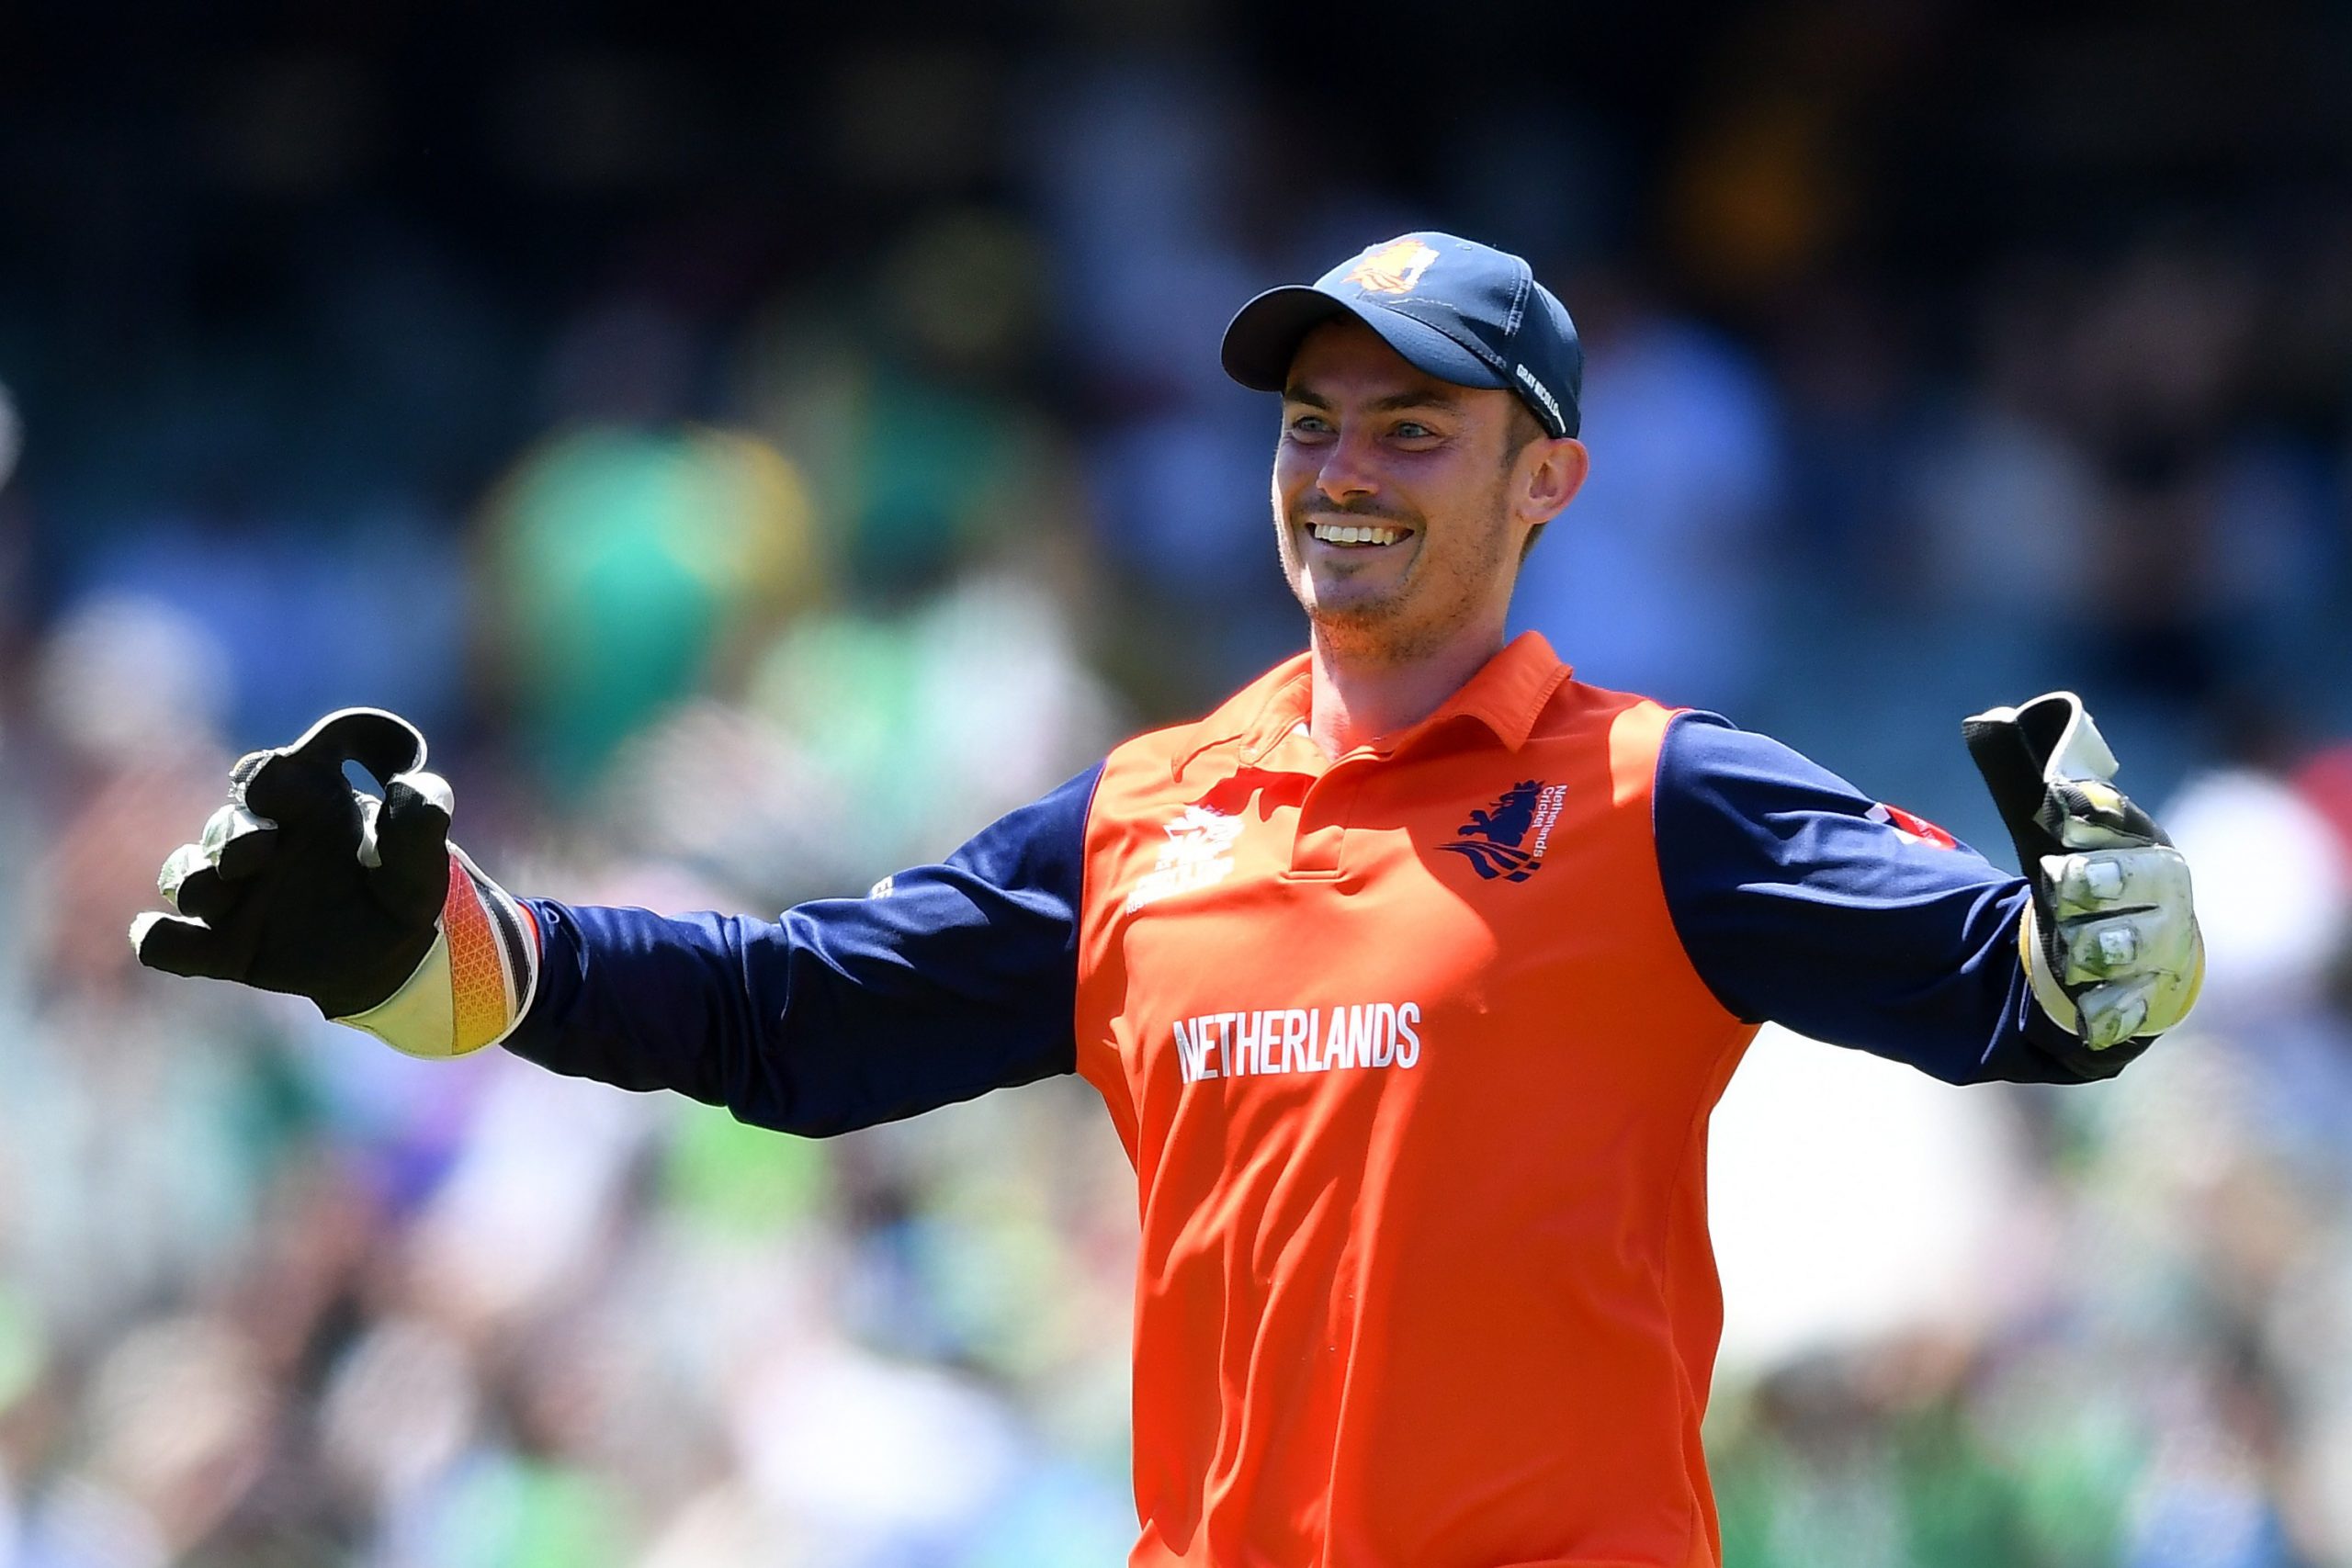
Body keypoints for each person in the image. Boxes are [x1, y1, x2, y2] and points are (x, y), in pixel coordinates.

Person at [130, 232, 2202, 1568]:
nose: (1340, 472)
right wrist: (454, 958)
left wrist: (2110, 940)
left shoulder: (1659, 794)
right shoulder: (1142, 816)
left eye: (1412, 427)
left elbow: (2015, 989)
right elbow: (798, 1019)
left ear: (1545, 477)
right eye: (1310, 426)